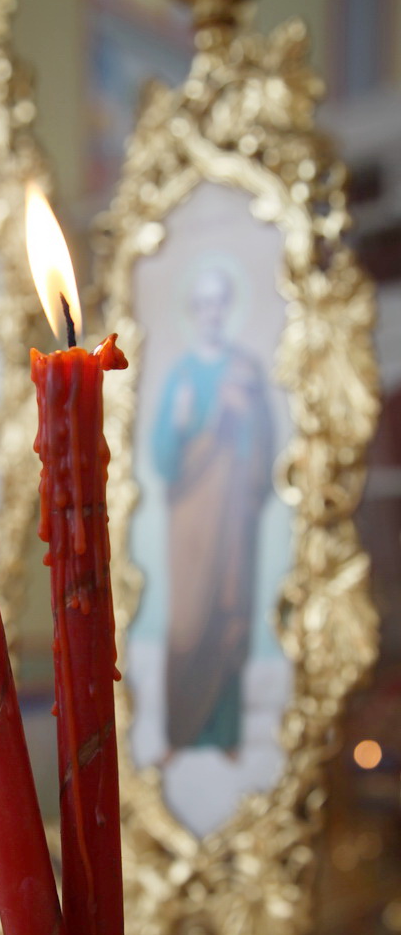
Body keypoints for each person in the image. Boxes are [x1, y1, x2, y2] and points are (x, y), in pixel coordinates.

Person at [152, 265, 275, 762]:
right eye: (203, 304)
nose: (212, 313)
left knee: (229, 610)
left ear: (228, 308)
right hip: (190, 521)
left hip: (233, 517)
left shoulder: (246, 370)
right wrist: (186, 421)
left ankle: (226, 735)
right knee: (187, 619)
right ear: (193, 312)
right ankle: (180, 734)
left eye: (219, 302)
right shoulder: (181, 376)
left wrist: (244, 421)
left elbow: (263, 448)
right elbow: (163, 458)